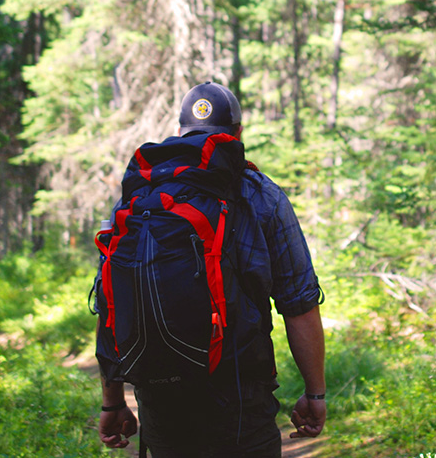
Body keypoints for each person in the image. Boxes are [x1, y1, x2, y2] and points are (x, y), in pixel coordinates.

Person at [97, 81, 326, 457]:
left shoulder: (138, 200)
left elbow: (111, 303)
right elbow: (298, 303)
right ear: (238, 134)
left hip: (160, 399)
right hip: (240, 404)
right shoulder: (261, 195)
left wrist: (112, 402)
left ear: (180, 133)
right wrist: (314, 393)